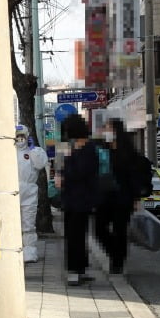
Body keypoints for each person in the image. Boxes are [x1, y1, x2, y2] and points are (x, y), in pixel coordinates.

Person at [56, 114, 98, 286]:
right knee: (76, 236)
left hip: (80, 200)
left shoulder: (87, 149)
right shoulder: (73, 147)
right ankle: (78, 270)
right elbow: (61, 167)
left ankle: (75, 271)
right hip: (73, 200)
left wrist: (65, 171)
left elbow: (80, 172)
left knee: (76, 236)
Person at [95, 118, 140, 274]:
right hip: (105, 196)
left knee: (120, 230)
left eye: (108, 128)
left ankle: (117, 263)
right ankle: (115, 254)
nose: (105, 131)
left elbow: (134, 176)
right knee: (99, 228)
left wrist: (136, 198)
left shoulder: (128, 151)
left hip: (123, 196)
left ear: (115, 130)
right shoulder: (103, 148)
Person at [15, 124, 49, 263]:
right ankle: (15, 249)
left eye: (22, 136)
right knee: (13, 222)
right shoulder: (9, 151)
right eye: (17, 136)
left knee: (28, 223)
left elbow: (40, 164)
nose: (20, 139)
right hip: (13, 190)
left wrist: (33, 149)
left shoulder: (35, 151)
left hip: (29, 190)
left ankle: (29, 252)